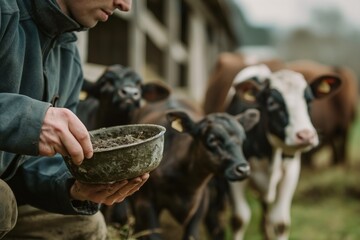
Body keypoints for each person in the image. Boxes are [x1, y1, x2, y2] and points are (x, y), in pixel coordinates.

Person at [0, 0, 149, 239]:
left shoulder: (69, 59)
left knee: (85, 225)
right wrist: (28, 120)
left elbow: (22, 168)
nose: (125, 5)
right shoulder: (5, 10)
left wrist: (74, 186)